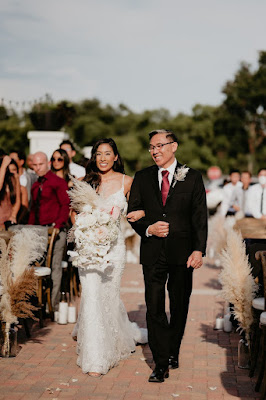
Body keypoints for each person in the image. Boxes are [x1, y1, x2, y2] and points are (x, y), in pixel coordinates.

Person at [128, 129, 208, 383]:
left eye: (160, 145)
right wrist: (148, 228)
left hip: (182, 252)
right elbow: (133, 213)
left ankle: (173, 350)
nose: (155, 151)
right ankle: (160, 362)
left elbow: (199, 217)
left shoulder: (193, 177)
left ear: (174, 146)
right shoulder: (141, 178)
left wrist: (199, 249)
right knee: (154, 307)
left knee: (179, 304)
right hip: (152, 252)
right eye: (151, 147)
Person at [69, 138, 147, 377]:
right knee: (91, 296)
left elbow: (139, 209)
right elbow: (73, 213)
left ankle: (115, 338)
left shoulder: (127, 182)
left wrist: (142, 213)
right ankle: (96, 358)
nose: (103, 158)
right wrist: (85, 233)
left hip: (114, 250)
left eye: (107, 153)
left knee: (109, 295)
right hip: (89, 250)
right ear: (94, 157)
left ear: (115, 157)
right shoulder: (84, 182)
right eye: (98, 154)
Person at [28, 152, 70, 310]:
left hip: (56, 230)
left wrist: (58, 226)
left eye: (40, 164)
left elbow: (65, 205)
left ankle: (53, 305)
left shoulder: (57, 182)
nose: (38, 168)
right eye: (35, 165)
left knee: (55, 266)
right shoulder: (35, 185)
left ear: (47, 164)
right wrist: (30, 228)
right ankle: (38, 303)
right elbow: (33, 210)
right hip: (39, 231)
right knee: (37, 266)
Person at [0, 154, 21, 229]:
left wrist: (13, 215)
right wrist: (3, 166)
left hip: (8, 223)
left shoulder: (13, 179)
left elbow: (18, 200)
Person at [8, 159, 29, 223]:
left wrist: (18, 220)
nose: (12, 173)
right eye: (9, 170)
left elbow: (24, 205)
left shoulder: (22, 188)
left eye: (14, 170)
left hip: (16, 222)